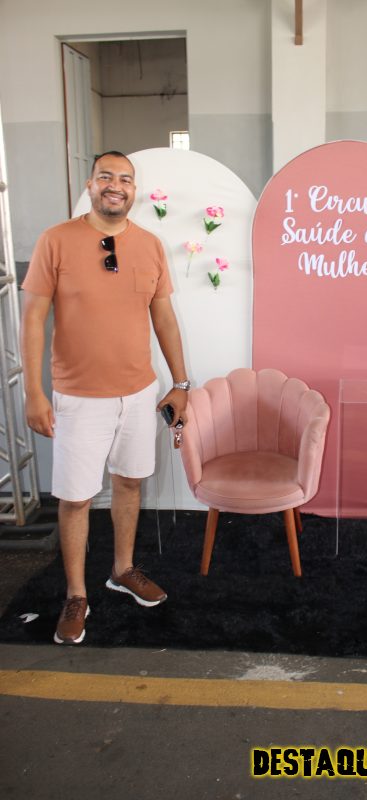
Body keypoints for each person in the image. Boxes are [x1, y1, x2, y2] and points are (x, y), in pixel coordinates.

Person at [21, 150, 190, 645]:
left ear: (135, 190)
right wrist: (33, 392)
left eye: (126, 179)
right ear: (90, 185)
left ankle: (122, 569)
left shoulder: (150, 245)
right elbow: (33, 319)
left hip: (138, 392)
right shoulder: (56, 240)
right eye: (106, 177)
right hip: (78, 397)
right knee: (75, 498)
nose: (116, 185)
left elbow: (164, 318)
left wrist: (180, 384)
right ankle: (76, 594)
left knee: (129, 483)